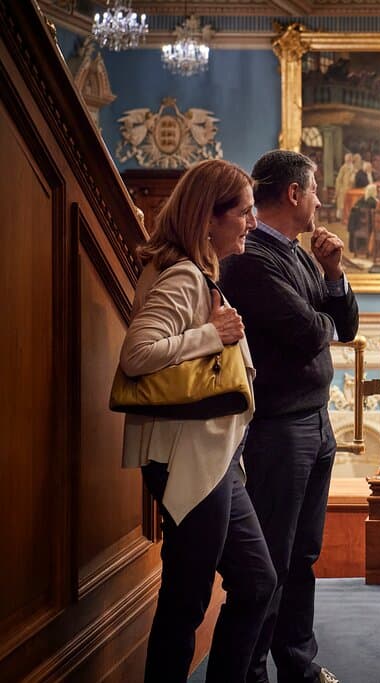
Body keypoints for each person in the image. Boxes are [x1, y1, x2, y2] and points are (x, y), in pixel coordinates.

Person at [119, 159, 276, 682]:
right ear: (209, 218)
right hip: (188, 459)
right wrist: (213, 334)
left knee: (256, 581)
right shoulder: (184, 277)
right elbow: (137, 355)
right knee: (186, 602)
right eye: (245, 212)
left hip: (214, 461)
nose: (253, 223)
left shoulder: (201, 273)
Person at [219, 150, 359, 683]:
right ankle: (251, 672)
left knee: (303, 555)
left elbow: (339, 326)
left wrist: (333, 273)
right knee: (270, 562)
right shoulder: (250, 259)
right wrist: (318, 315)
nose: (321, 198)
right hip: (278, 429)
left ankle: (297, 665)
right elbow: (306, 334)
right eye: (316, 188)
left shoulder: (301, 254)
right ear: (295, 194)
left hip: (315, 422)